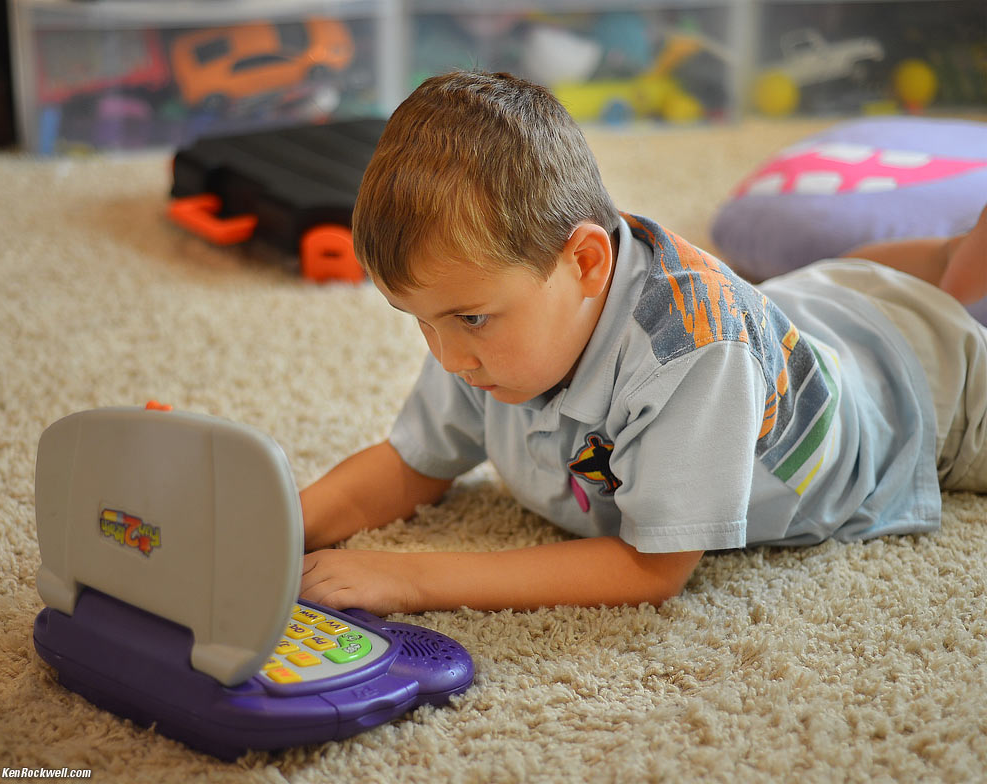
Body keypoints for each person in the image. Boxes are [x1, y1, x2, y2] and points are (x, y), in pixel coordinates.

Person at [298, 70, 987, 616]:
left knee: (936, 304)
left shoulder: (694, 356)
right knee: (868, 284)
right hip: (816, 306)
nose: (447, 357)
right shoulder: (486, 313)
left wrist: (413, 578)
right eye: (421, 321)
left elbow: (649, 569)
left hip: (926, 389)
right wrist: (284, 523)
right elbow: (413, 463)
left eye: (470, 320)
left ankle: (955, 262)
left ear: (586, 263)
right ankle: (952, 258)